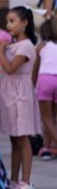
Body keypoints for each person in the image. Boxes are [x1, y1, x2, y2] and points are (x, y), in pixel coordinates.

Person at [0, 6, 41, 189]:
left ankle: (26, 182)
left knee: (23, 137)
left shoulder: (26, 46)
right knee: (14, 138)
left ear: (24, 23)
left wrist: (1, 51)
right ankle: (14, 179)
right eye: (7, 21)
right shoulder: (11, 44)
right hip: (9, 93)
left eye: (13, 21)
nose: (8, 25)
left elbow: (10, 68)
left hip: (20, 95)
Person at [35, 19, 57, 160]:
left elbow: (35, 68)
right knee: (53, 118)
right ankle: (46, 148)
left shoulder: (41, 47)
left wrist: (32, 84)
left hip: (45, 80)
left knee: (46, 118)